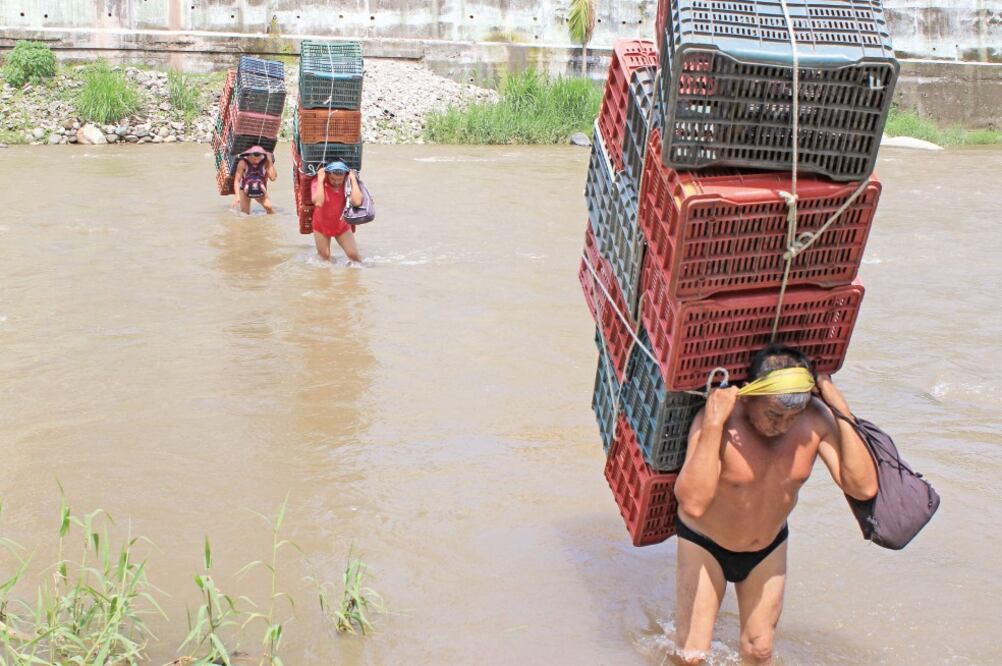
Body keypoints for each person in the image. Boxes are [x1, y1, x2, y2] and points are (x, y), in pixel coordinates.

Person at [673, 345, 878, 665]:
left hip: (767, 548)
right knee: (692, 656)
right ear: (749, 395)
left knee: (760, 651)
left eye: (792, 417)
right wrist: (713, 424)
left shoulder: (814, 420)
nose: (782, 425)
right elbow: (693, 503)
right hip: (704, 542)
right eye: (773, 414)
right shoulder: (720, 420)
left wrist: (840, 410)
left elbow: (863, 487)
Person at [311, 161, 363, 263]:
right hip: (321, 226)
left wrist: (353, 179)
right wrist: (321, 180)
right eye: (333, 179)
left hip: (341, 226)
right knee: (324, 258)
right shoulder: (317, 182)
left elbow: (357, 202)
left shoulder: (347, 182)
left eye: (340, 179)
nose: (336, 182)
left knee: (354, 257)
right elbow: (318, 203)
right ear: (327, 175)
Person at [231, 146, 277, 215]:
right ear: (249, 154)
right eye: (254, 157)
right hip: (244, 189)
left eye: (259, 156)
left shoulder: (266, 161)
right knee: (245, 214)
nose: (256, 160)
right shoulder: (243, 162)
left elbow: (273, 178)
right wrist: (237, 197)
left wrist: (270, 161)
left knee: (269, 208)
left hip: (260, 187)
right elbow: (237, 180)